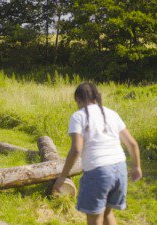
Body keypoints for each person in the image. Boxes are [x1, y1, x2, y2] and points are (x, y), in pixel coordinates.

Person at [54, 82, 142, 225]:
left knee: (95, 219)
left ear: (78, 99)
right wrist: (137, 166)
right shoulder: (112, 113)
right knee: (107, 213)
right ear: (96, 97)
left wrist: (63, 176)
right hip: (120, 170)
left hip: (99, 173)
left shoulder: (79, 116)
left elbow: (76, 149)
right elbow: (132, 144)